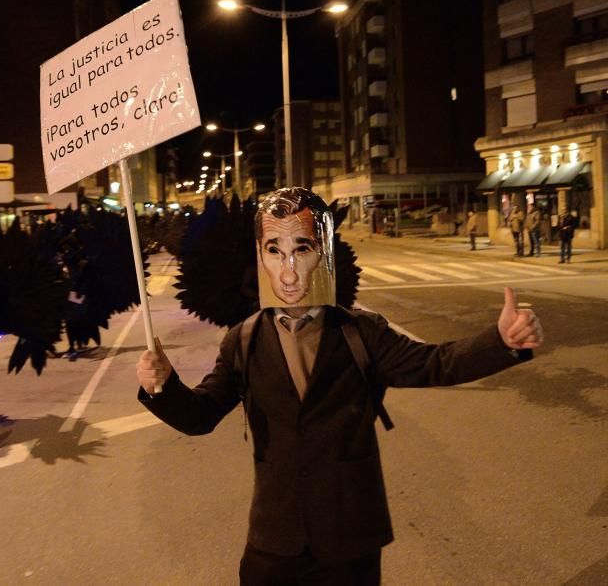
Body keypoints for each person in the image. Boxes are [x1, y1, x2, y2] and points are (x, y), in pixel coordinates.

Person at [136, 187, 544, 585]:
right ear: (260, 256)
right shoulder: (244, 339)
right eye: (274, 250)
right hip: (276, 534)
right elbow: (201, 415)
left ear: (324, 254)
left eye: (303, 249)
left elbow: (435, 364)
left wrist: (501, 342)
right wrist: (162, 387)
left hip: (349, 534)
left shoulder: (361, 333)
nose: (289, 269)